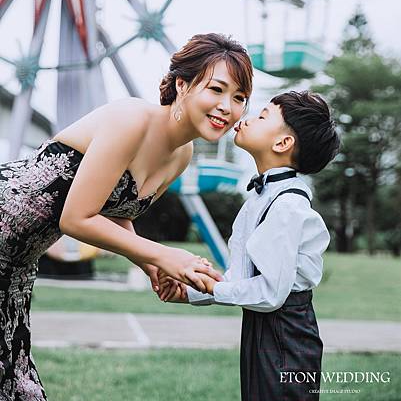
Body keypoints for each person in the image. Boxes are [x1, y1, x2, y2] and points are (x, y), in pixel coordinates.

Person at [0, 32, 253, 400]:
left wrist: (151, 267)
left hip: (18, 265)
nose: (227, 107)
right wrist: (163, 254)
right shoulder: (131, 119)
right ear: (182, 85)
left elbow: (114, 212)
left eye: (239, 97)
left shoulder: (181, 156)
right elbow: (76, 218)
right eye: (216, 89)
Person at [158, 91, 340, 401]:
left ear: (282, 143)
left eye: (262, 116)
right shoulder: (259, 198)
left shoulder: (287, 207)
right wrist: (191, 292)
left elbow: (270, 293)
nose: (246, 118)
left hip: (286, 332)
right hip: (260, 324)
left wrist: (215, 289)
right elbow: (243, 279)